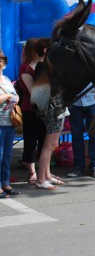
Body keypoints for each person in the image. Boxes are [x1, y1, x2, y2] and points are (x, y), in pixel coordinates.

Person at [17, 38, 47, 186]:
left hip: (45, 110)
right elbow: (32, 92)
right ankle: (32, 171)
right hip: (31, 110)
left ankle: (43, 171)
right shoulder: (26, 68)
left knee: (44, 141)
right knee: (31, 141)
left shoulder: (45, 65)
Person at [66, 86, 95, 178]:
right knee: (76, 135)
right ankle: (78, 167)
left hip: (93, 100)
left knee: (94, 134)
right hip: (75, 102)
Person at [0, 52, 20, 198]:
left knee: (7, 155)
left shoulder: (6, 79)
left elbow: (16, 95)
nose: (1, 62)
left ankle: (5, 182)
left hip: (9, 122)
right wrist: (8, 96)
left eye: (2, 59)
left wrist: (15, 98)